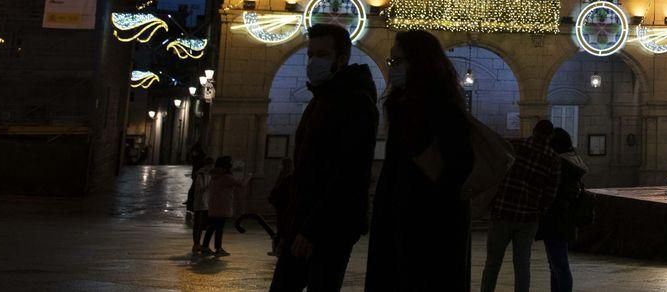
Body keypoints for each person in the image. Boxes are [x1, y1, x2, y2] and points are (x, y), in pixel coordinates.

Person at [269, 23, 380, 292]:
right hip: (304, 220)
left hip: (330, 225)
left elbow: (348, 173)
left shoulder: (356, 103)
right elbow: (309, 166)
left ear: (340, 60)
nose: (312, 61)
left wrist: (311, 230)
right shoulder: (322, 98)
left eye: (321, 55)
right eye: (310, 55)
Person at [366, 30, 475, 292]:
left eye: (398, 61)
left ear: (421, 63)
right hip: (397, 221)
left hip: (430, 229)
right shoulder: (400, 106)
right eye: (392, 62)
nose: (392, 68)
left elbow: (457, 168)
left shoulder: (443, 110)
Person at [481, 119, 562, 292]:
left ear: (533, 131)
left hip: (503, 212)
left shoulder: (515, 147)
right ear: (551, 135)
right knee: (522, 265)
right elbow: (550, 194)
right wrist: (539, 210)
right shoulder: (554, 160)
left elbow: (498, 173)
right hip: (528, 219)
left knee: (493, 262)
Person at [536, 128, 588, 292]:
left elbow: (555, 193)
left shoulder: (560, 165)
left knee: (559, 265)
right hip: (565, 219)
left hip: (556, 220)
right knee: (555, 264)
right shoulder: (573, 162)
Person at [201, 156, 249, 257]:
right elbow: (241, 184)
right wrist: (249, 176)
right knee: (219, 228)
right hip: (223, 206)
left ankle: (206, 247)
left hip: (214, 206)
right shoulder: (226, 177)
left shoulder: (214, 176)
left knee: (212, 227)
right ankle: (217, 248)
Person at [188, 156, 214, 254]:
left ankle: (198, 244)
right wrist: (210, 185)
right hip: (200, 203)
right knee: (198, 224)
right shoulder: (201, 175)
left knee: (202, 224)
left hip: (206, 202)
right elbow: (199, 189)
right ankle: (196, 244)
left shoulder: (208, 174)